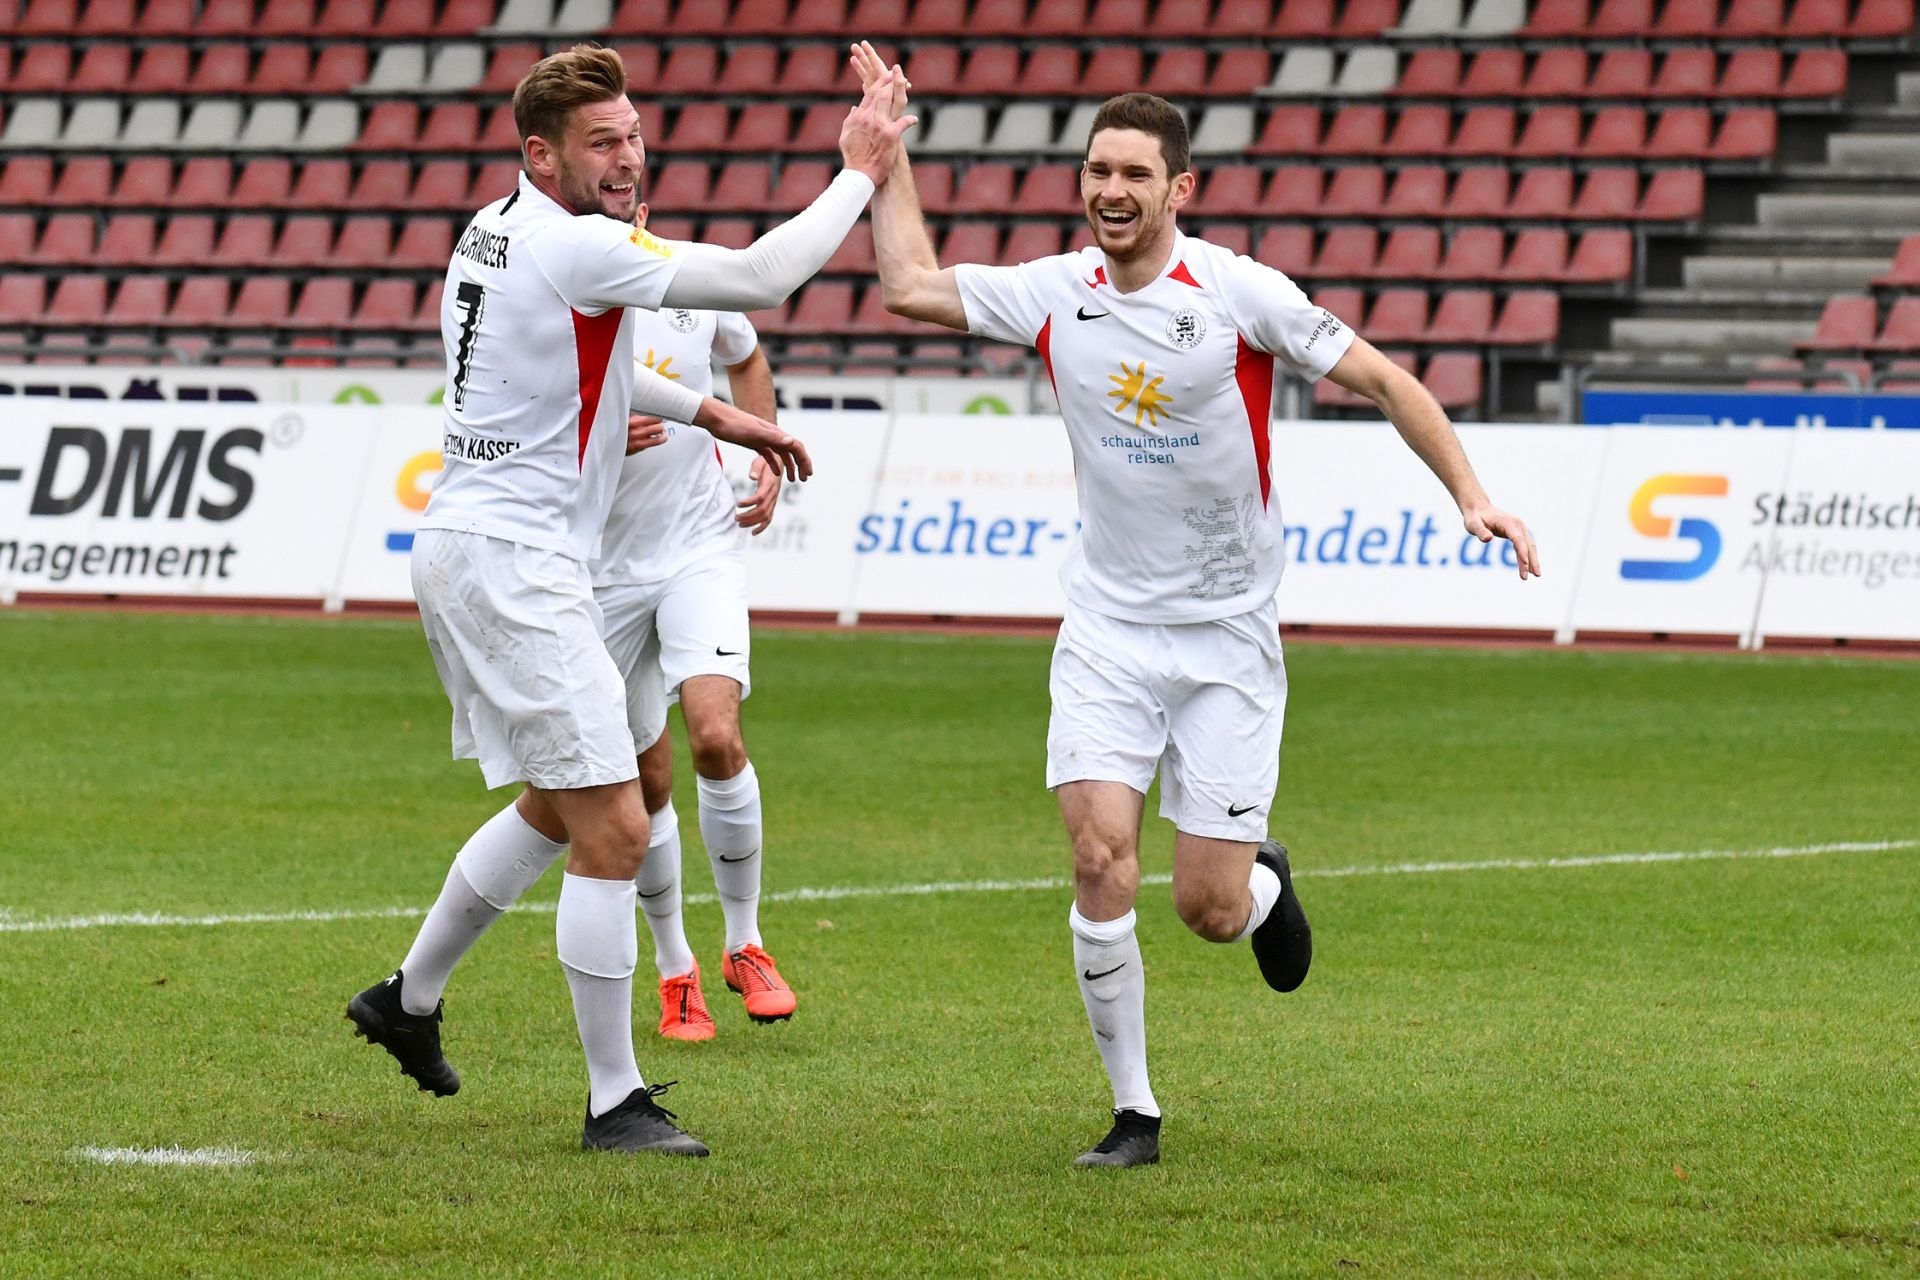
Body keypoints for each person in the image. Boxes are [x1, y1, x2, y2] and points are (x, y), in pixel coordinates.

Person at [855, 46, 1539, 1168]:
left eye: (1134, 173)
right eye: (1096, 170)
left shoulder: (1239, 293)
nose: (1110, 191)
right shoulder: (1055, 291)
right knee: (1096, 855)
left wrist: (1474, 496)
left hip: (1224, 637)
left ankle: (1261, 877)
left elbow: (1384, 381)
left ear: (1182, 188)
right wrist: (887, 161)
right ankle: (1135, 1112)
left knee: (1207, 909)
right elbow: (910, 285)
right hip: (1108, 631)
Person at [346, 44, 912, 1158]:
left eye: (635, 135)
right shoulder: (577, 243)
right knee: (615, 819)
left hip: (477, 546)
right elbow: (758, 278)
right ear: (539, 151)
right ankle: (616, 1101)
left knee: (563, 810)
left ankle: (405, 999)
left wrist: (718, 415)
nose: (628, 156)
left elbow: (578, 361)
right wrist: (862, 168)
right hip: (517, 562)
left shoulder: (492, 226)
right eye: (603, 140)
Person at [594, 199, 794, 1044]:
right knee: (644, 784)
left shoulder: (689, 280)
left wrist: (763, 445)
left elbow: (748, 358)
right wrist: (601, 432)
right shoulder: (559, 286)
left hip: (697, 544)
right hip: (598, 562)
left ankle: (744, 944)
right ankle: (675, 968)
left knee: (715, 735)